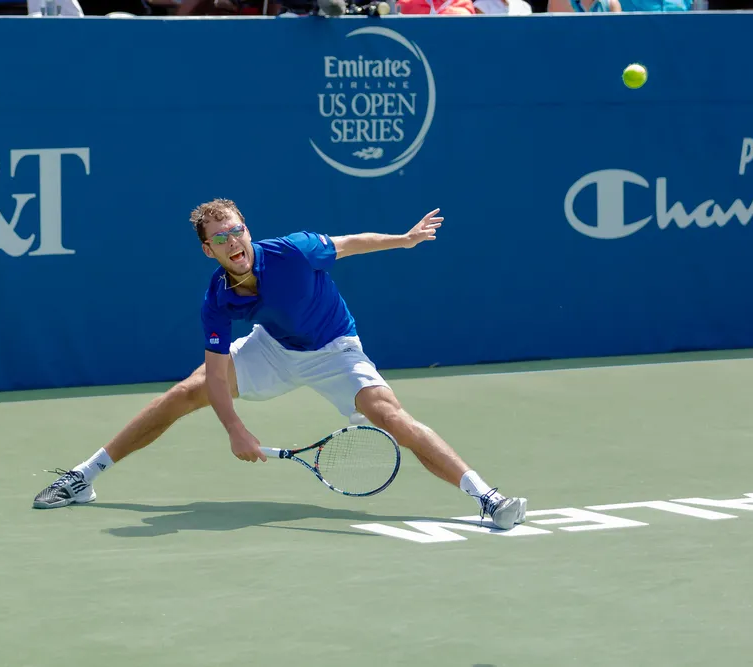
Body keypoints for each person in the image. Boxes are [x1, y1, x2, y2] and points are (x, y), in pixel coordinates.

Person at [32, 199, 528, 530]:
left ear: (248, 231)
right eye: (222, 239)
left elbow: (349, 243)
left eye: (238, 231)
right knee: (186, 392)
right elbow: (216, 371)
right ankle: (84, 476)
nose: (234, 243)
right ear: (208, 250)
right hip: (272, 348)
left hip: (335, 349)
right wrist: (235, 429)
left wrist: (405, 239)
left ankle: (487, 498)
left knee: (392, 418)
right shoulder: (217, 299)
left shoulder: (292, 252)